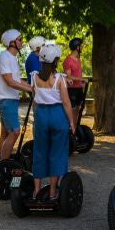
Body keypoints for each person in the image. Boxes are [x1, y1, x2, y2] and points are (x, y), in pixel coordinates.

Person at [31, 43, 76, 200]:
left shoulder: (34, 77)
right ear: (55, 61)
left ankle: (36, 190)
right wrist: (71, 122)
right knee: (57, 153)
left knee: (39, 152)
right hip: (57, 115)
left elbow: (34, 98)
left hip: (41, 115)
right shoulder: (59, 79)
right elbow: (66, 103)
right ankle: (52, 192)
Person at [0, 29, 35, 160]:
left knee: (5, 133)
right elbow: (10, 81)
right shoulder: (4, 57)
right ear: (12, 42)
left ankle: (0, 160)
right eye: (20, 39)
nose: (22, 42)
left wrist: (32, 87)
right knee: (15, 131)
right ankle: (4, 165)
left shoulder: (11, 58)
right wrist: (30, 90)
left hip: (8, 99)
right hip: (6, 100)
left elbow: (16, 80)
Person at [63, 37, 86, 109]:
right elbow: (68, 76)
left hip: (79, 89)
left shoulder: (78, 59)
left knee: (78, 111)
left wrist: (81, 83)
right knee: (72, 111)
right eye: (81, 45)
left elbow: (77, 73)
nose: (82, 47)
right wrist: (81, 79)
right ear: (77, 47)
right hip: (72, 90)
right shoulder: (68, 60)